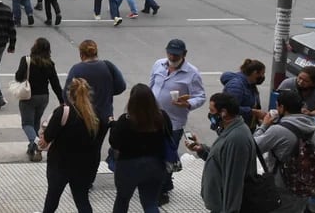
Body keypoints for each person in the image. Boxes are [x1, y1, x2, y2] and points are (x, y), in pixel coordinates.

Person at [150, 38, 207, 203]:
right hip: (153, 118)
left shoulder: (192, 73)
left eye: (176, 54)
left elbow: (201, 96)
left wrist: (187, 103)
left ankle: (161, 191)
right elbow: (151, 85)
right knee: (154, 154)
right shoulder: (158, 64)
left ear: (184, 54)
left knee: (166, 155)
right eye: (170, 53)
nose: (172, 57)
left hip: (174, 123)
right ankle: (165, 183)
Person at [39, 78, 105, 213]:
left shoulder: (63, 112)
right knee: (82, 200)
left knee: (52, 199)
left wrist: (43, 133)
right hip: (84, 165)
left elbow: (47, 138)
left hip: (59, 164)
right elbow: (98, 139)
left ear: (69, 94)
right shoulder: (96, 114)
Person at [254, 88, 315, 213]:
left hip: (280, 189)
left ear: (281, 107)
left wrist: (264, 126)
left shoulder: (278, 131)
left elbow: (252, 147)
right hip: (304, 189)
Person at [186, 93, 258, 213]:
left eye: (212, 110)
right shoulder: (229, 130)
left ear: (223, 112)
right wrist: (201, 150)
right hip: (219, 204)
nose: (210, 114)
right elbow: (221, 159)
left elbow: (234, 182)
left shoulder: (237, 138)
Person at [110, 84, 173, 213]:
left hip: (128, 166)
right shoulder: (162, 117)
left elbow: (115, 143)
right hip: (155, 165)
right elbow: (169, 136)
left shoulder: (125, 120)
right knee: (150, 203)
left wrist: (113, 125)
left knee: (122, 200)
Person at [65, 39, 126, 146]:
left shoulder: (77, 69)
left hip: (83, 117)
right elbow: (121, 86)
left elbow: (67, 94)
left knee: (82, 147)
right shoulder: (108, 66)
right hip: (105, 116)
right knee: (97, 146)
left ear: (81, 55)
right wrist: (107, 92)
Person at [16, 37, 65, 164]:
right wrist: (61, 99)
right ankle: (32, 148)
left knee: (27, 123)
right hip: (44, 97)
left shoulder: (27, 60)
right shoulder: (49, 63)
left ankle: (37, 144)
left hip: (29, 96)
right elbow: (55, 83)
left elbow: (18, 76)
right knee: (35, 121)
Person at [221, 59, 267, 129]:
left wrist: (257, 120)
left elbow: (253, 104)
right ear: (255, 73)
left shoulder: (251, 84)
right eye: (262, 73)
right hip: (235, 129)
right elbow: (231, 108)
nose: (263, 76)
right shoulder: (236, 86)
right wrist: (253, 112)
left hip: (246, 126)